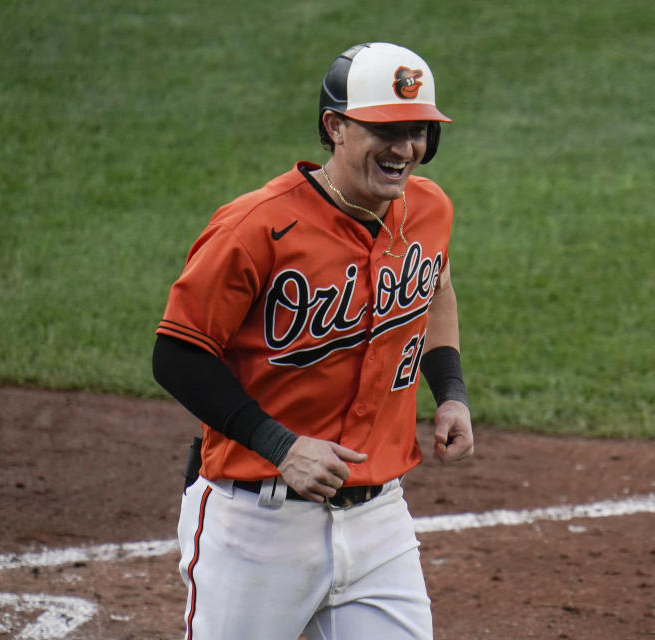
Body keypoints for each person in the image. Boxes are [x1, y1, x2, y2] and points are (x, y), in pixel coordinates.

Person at [152, 42, 474, 639]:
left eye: (418, 131)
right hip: (256, 523)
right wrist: (281, 445)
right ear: (335, 127)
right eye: (385, 129)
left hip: (380, 522)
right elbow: (176, 353)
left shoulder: (428, 210)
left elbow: (438, 290)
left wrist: (450, 392)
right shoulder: (256, 226)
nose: (404, 149)